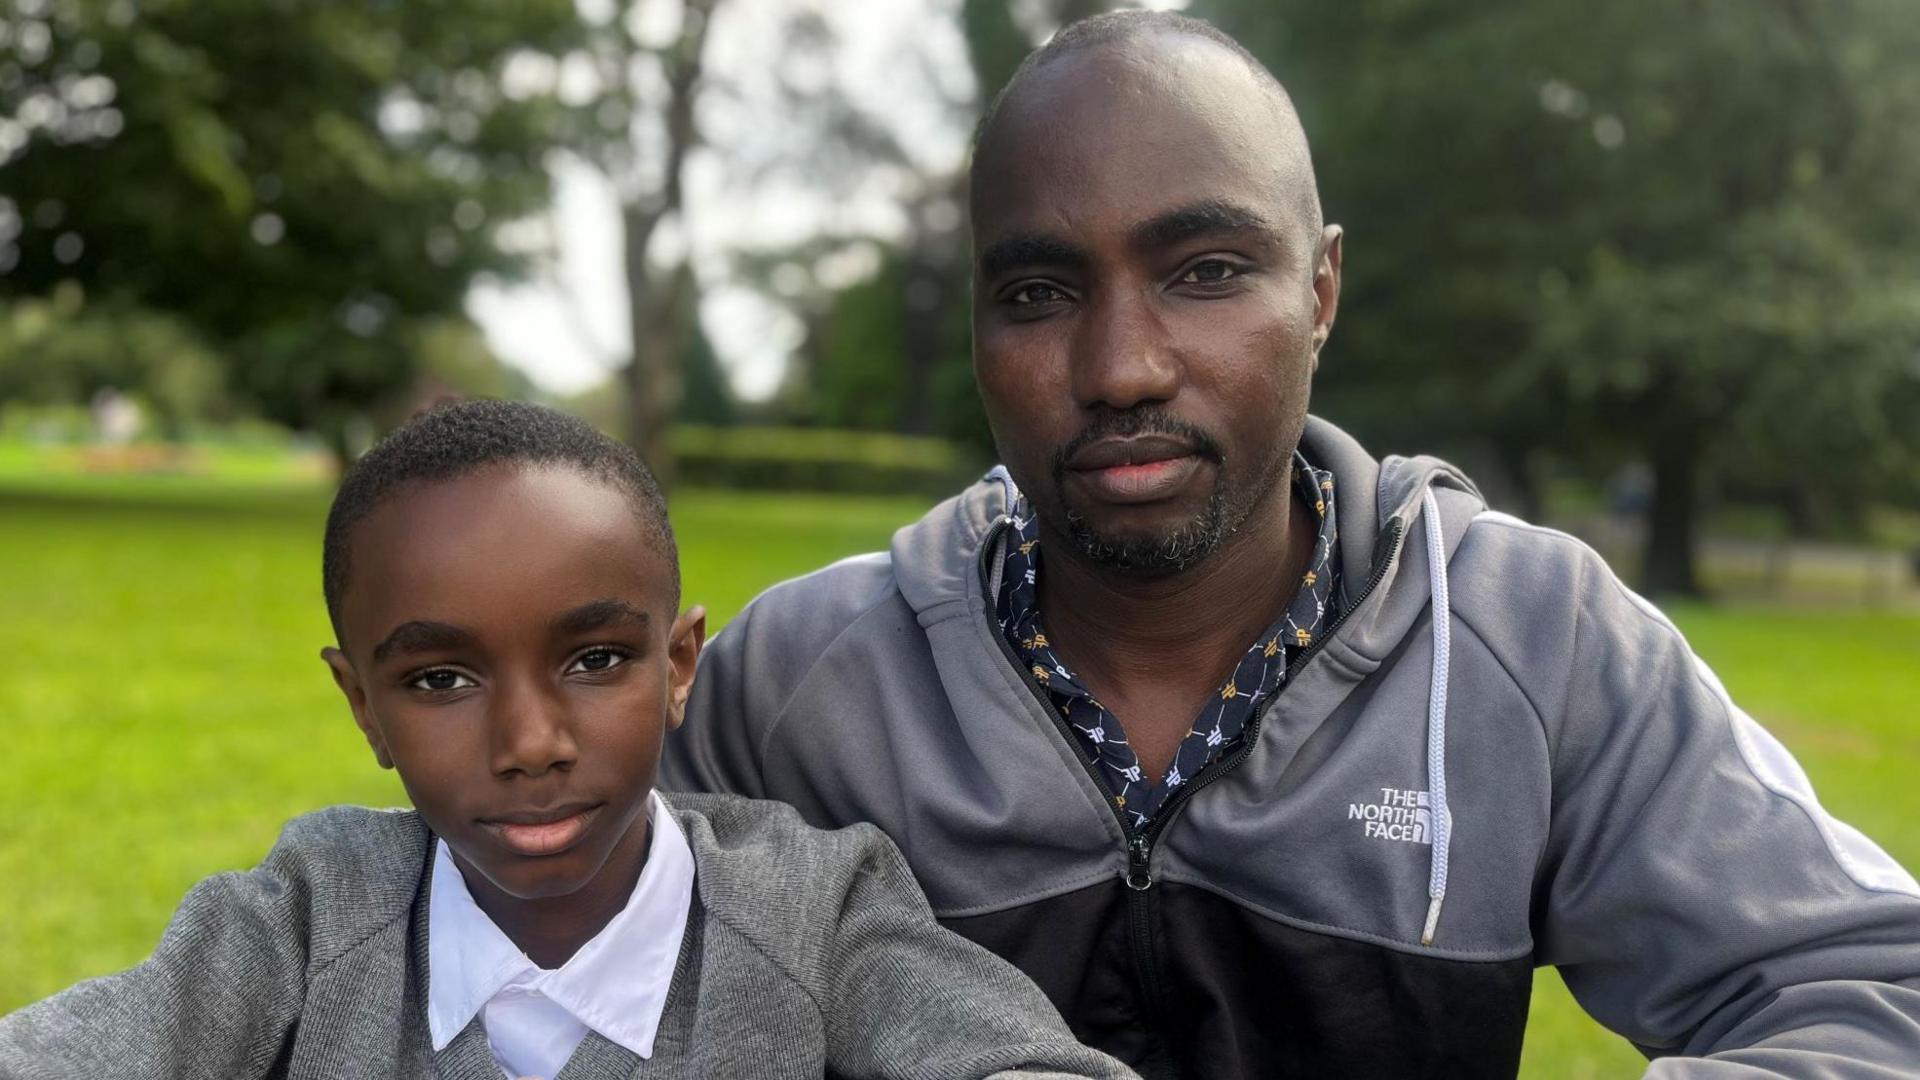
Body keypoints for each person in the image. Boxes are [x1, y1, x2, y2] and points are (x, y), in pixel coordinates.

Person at [661, 12, 1920, 1078]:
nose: (1121, 367)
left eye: (1205, 271)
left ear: (1319, 292)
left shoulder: (1536, 642)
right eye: (1039, 295)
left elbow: (1873, 987)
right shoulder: (798, 684)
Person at [0, 400, 1137, 1080]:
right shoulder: (307, 918)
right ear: (362, 707)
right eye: (440, 678)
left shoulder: (813, 907)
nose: (532, 741)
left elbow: (998, 1054)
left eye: (596, 660)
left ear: (680, 664)